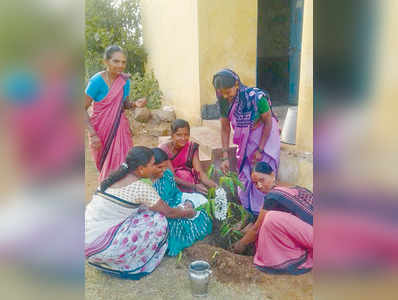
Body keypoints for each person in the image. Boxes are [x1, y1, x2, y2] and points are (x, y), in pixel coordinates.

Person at [85, 146, 195, 279]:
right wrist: (188, 212)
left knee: (145, 210)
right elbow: (169, 212)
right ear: (141, 169)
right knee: (159, 220)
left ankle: (109, 259)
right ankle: (129, 264)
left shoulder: (113, 178)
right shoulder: (140, 188)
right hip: (104, 248)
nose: (155, 167)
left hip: (88, 244)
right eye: (152, 164)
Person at [212, 69, 280, 216]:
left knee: (261, 176)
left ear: (236, 83)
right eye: (221, 92)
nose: (225, 95)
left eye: (227, 91)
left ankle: (261, 215)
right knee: (244, 175)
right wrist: (225, 156)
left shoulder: (256, 97)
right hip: (246, 139)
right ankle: (247, 213)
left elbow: (268, 122)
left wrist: (260, 150)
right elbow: (225, 128)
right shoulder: (223, 102)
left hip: (265, 136)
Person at [232, 162, 313, 275]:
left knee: (270, 219)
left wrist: (240, 244)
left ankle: (283, 257)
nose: (259, 186)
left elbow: (256, 229)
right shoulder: (288, 187)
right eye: (255, 183)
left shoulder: (273, 197)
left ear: (272, 175)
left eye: (262, 180)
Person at [85, 45, 147, 182]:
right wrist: (93, 134)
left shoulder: (124, 81)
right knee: (105, 168)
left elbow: (123, 105)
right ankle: (108, 195)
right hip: (100, 131)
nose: (120, 65)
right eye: (116, 61)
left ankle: (122, 196)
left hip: (120, 130)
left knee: (124, 165)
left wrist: (135, 104)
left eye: (123, 62)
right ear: (106, 62)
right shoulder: (96, 81)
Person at [151, 148, 212, 256]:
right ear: (149, 166)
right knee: (175, 223)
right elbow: (164, 210)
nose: (163, 170)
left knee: (201, 201)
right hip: (164, 209)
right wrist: (187, 211)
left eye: (165, 166)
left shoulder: (167, 174)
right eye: (159, 167)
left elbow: (176, 192)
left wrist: (188, 202)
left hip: (176, 199)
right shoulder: (148, 185)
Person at [159, 119, 217, 194]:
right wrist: (194, 186)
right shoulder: (164, 149)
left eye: (186, 135)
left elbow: (200, 173)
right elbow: (172, 177)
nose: (183, 138)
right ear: (172, 135)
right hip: (171, 185)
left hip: (189, 183)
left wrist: (216, 187)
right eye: (179, 135)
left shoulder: (191, 147)